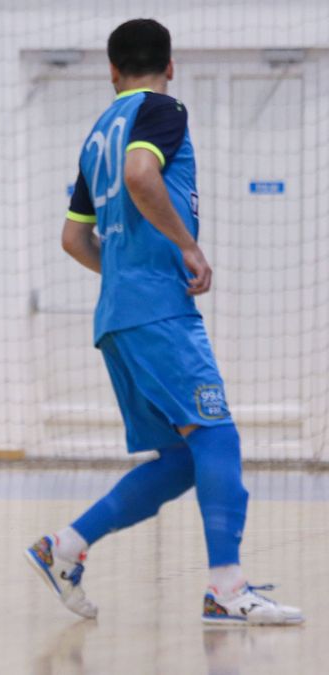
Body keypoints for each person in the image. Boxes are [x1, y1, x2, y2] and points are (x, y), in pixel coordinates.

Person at [24, 18, 301, 625]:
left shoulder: (98, 131)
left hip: (117, 316)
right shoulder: (162, 110)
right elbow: (141, 176)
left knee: (180, 459)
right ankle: (226, 590)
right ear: (169, 67)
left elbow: (74, 238)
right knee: (217, 435)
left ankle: (64, 548)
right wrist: (187, 249)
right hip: (159, 308)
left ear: (112, 71)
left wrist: (125, 275)